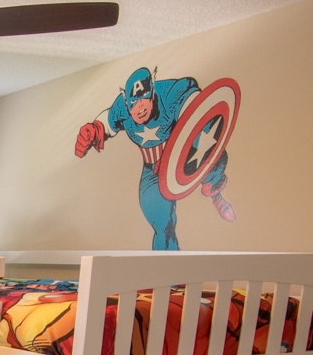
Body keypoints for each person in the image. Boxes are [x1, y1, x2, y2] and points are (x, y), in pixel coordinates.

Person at [75, 67, 234, 250]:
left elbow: (196, 107)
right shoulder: (121, 109)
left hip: (185, 155)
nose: (140, 107)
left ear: (152, 93)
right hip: (153, 170)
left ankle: (215, 194)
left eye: (145, 99)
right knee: (161, 223)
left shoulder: (169, 94)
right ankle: (171, 275)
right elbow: (106, 122)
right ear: (126, 103)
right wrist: (93, 131)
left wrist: (174, 155)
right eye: (134, 103)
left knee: (214, 155)